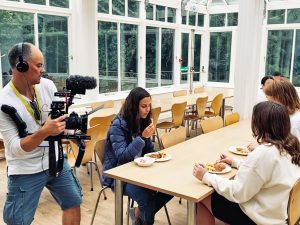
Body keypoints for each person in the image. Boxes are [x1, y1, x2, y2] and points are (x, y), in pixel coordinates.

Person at [0, 43, 82, 225]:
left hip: (55, 160)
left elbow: (58, 119)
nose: (42, 70)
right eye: (38, 65)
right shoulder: (4, 101)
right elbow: (15, 149)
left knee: (73, 202)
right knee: (17, 221)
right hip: (25, 169)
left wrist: (71, 132)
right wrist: (44, 131)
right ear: (21, 66)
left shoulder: (47, 86)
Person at [193, 101, 300, 225]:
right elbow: (263, 171)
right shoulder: (291, 145)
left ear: (258, 125)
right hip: (280, 212)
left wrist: (206, 176)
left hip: (261, 218)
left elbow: (237, 193)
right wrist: (235, 162)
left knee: (201, 198)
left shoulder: (264, 153)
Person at [102, 87, 173, 225]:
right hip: (119, 175)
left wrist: (152, 149)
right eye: (144, 106)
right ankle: (140, 218)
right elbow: (122, 156)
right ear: (134, 107)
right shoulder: (118, 125)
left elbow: (148, 153)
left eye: (149, 106)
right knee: (146, 198)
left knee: (171, 187)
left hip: (139, 171)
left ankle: (138, 214)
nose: (147, 109)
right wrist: (142, 137)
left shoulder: (142, 120)